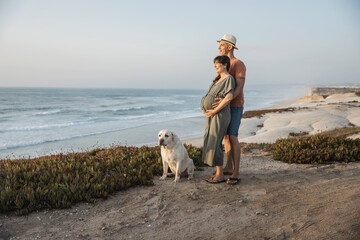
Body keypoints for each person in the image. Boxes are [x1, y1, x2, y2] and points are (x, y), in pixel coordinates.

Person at [213, 34, 246, 185]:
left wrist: (227, 100)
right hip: (224, 106)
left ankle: (236, 172)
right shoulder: (223, 63)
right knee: (226, 137)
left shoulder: (238, 64)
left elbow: (239, 87)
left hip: (235, 105)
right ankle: (228, 166)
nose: (219, 47)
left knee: (232, 137)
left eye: (222, 44)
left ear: (230, 47)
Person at [201, 55, 235, 184]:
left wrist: (214, 110)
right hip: (213, 115)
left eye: (217, 64)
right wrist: (206, 109)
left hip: (220, 115)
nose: (215, 66)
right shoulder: (218, 80)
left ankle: (220, 175)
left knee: (216, 142)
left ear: (225, 65)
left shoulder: (228, 79)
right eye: (214, 64)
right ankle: (218, 171)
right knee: (210, 140)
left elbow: (229, 97)